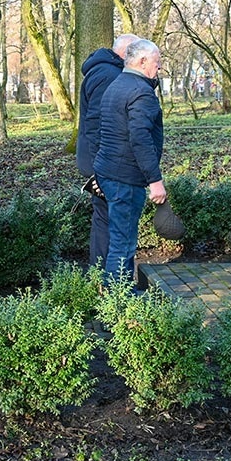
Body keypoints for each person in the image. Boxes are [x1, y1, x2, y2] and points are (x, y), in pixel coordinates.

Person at [93, 39, 167, 285]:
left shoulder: (117, 84)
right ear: (142, 61)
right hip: (125, 177)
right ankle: (117, 305)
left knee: (118, 239)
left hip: (108, 171)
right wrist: (155, 181)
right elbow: (140, 139)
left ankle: (113, 295)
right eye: (157, 63)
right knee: (123, 243)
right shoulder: (141, 92)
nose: (159, 68)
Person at [76, 33, 139, 267]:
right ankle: (108, 281)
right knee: (110, 222)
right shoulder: (109, 75)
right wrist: (100, 168)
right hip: (105, 163)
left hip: (101, 160)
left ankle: (102, 278)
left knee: (105, 219)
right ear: (128, 53)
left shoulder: (104, 71)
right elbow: (97, 125)